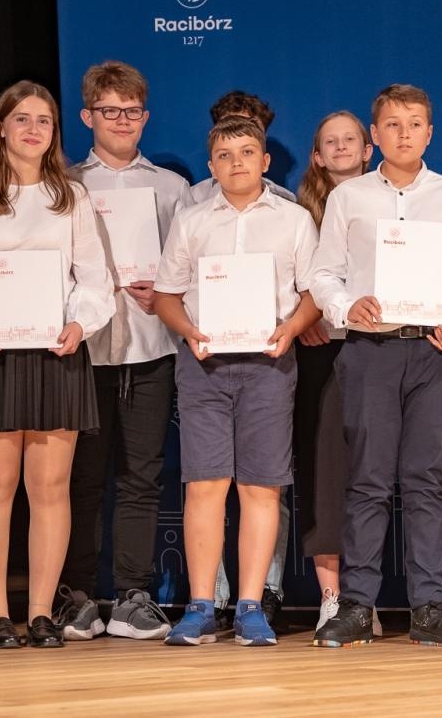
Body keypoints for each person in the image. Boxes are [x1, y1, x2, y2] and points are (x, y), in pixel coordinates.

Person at [309, 83, 442, 648]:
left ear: (431, 133)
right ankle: (357, 607)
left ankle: (429, 608)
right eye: (392, 125)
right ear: (375, 135)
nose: (404, 134)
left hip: (437, 355)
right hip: (370, 351)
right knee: (367, 480)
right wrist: (347, 307)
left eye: (415, 124)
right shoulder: (349, 198)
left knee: (426, 481)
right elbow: (324, 275)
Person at [0, 80, 115, 649]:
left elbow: (95, 282)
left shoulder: (72, 198)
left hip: (57, 354)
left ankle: (40, 613)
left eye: (44, 120)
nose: (34, 128)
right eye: (22, 119)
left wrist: (80, 324)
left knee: (51, 487)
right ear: (2, 128)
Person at [153, 117, 322, 646]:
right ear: (211, 166)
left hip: (270, 365)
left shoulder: (294, 220)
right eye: (225, 155)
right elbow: (166, 295)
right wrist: (190, 332)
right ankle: (201, 604)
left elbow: (315, 291)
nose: (237, 163)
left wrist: (291, 328)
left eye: (247, 152)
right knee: (204, 483)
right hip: (204, 364)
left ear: (265, 160)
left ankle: (251, 604)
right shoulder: (193, 221)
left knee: (260, 486)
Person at [60, 61, 189, 641]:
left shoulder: (171, 187)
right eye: (110, 111)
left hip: (149, 347)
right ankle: (78, 593)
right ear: (88, 116)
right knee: (81, 479)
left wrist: (163, 291)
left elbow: (188, 268)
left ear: (146, 116)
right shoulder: (62, 184)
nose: (122, 121)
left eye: (132, 112)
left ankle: (134, 593)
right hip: (81, 352)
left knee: (141, 478)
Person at [292, 110, 381, 636]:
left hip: (378, 349)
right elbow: (288, 280)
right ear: (317, 156)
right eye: (331, 141)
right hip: (320, 351)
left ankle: (363, 596)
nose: (343, 147)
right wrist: (305, 319)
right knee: (326, 475)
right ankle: (332, 598)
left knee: (372, 474)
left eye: (352, 139)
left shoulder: (394, 203)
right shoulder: (298, 211)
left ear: (368, 148)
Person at [186, 90, 297, 205]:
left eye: (250, 129)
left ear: (263, 137)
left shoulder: (286, 201)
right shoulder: (193, 198)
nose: (238, 137)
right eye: (230, 128)